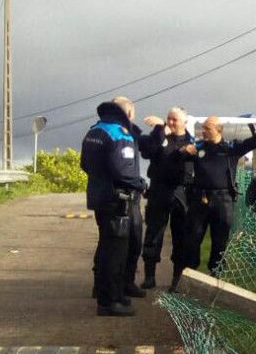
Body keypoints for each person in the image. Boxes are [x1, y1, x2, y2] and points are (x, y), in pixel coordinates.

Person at [179, 116, 256, 288]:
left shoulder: (230, 148)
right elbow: (179, 157)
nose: (203, 131)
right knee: (192, 239)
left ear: (218, 129)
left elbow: (253, 142)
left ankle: (216, 280)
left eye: (207, 128)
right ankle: (188, 280)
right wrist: (184, 151)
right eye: (203, 127)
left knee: (220, 241)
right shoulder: (198, 148)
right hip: (200, 199)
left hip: (223, 200)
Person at [80, 101, 146, 316]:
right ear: (127, 113)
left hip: (99, 196)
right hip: (117, 199)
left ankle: (109, 293)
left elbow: (84, 164)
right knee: (116, 252)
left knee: (105, 245)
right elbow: (124, 171)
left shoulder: (94, 131)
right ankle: (109, 302)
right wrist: (141, 184)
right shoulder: (120, 134)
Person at [137, 107, 194, 289]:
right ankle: (149, 277)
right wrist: (160, 130)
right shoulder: (160, 137)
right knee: (154, 232)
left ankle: (177, 280)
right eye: (168, 118)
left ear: (184, 122)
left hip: (182, 191)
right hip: (159, 189)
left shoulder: (192, 142)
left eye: (174, 119)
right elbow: (147, 151)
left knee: (181, 236)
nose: (170, 122)